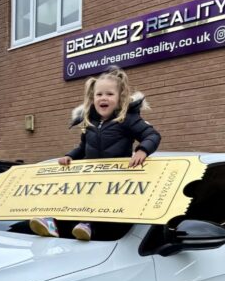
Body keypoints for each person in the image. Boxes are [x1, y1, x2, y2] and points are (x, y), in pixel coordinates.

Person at [30, 67, 161, 241]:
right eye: (99, 94)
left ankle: (89, 225)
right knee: (68, 194)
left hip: (115, 178)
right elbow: (83, 147)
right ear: (93, 98)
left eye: (109, 94)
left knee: (101, 202)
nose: (103, 98)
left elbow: (152, 135)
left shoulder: (128, 119)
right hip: (90, 175)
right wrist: (70, 156)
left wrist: (142, 150)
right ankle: (52, 223)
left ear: (120, 97)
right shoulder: (89, 122)